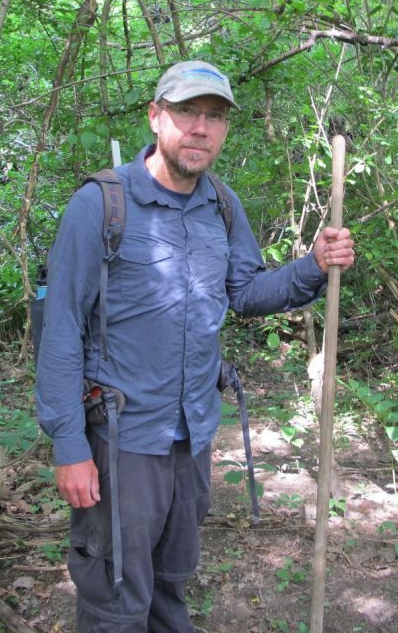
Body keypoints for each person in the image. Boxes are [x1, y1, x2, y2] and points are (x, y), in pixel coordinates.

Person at [35, 60, 355, 632]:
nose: (200, 128)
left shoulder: (222, 206)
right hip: (120, 440)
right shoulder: (101, 206)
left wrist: (312, 266)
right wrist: (68, 443)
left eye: (214, 117)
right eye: (187, 112)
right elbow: (59, 327)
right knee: (115, 599)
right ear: (156, 117)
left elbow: (247, 292)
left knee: (170, 584)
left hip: (194, 433)